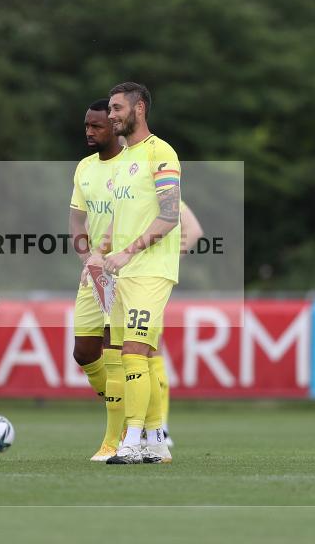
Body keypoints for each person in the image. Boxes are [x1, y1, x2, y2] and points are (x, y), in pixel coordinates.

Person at [86, 82, 181, 465]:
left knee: (134, 353)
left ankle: (131, 442)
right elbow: (118, 217)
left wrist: (129, 251)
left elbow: (170, 215)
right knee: (136, 357)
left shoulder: (161, 152)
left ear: (139, 108)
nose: (111, 115)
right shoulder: (124, 159)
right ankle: (155, 442)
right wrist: (100, 253)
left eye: (116, 108)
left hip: (151, 270)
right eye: (109, 109)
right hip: (122, 272)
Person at [69, 99, 125, 462]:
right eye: (87, 126)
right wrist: (87, 258)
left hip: (124, 269)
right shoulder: (85, 167)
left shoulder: (132, 165)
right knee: (84, 352)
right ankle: (133, 415)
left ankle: (114, 439)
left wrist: (106, 257)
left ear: (115, 127)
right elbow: (76, 220)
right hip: (94, 270)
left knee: (115, 351)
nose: (89, 132)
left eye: (97, 126)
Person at [150, 200, 204, 448]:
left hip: (143, 282)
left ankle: (157, 426)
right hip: (115, 280)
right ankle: (143, 426)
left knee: (147, 351)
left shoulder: (160, 191)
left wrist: (165, 260)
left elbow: (193, 230)